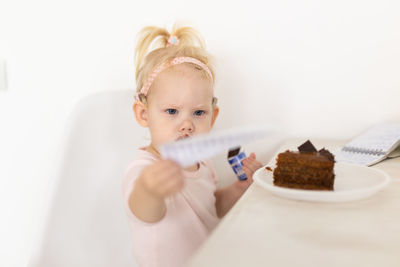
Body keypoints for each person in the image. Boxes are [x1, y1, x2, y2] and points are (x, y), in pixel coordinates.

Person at [122, 24, 263, 267]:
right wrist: (149, 190)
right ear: (144, 114)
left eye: (198, 112)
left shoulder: (203, 164)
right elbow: (143, 211)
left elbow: (211, 207)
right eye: (172, 111)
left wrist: (239, 190)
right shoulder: (146, 168)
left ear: (213, 116)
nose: (186, 124)